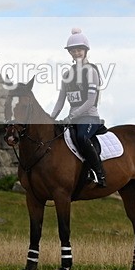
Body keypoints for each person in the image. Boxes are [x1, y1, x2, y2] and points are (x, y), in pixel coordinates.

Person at [51, 28, 106, 187]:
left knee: (82, 138)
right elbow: (60, 101)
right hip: (72, 118)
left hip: (89, 117)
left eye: (79, 49)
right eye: (73, 50)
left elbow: (90, 100)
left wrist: (72, 116)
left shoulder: (91, 71)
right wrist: (50, 118)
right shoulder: (67, 74)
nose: (76, 52)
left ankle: (99, 174)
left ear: (85, 50)